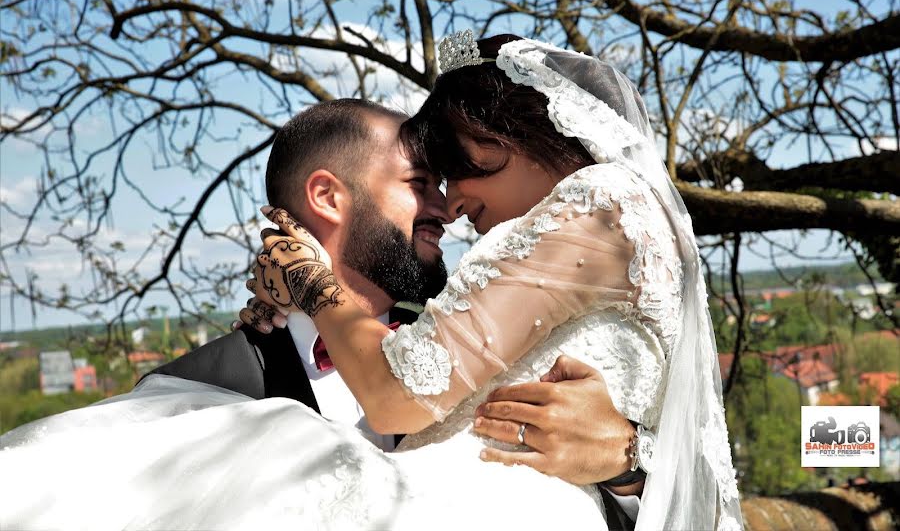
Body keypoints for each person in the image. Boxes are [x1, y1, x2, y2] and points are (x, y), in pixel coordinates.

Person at [0, 91, 645, 529]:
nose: (446, 210)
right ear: (327, 197)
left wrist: (624, 469)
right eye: (420, 184)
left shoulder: (476, 349)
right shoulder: (202, 388)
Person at [244, 33, 743, 530]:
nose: (452, 205)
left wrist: (307, 277)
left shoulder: (603, 205)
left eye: (459, 168)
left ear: (516, 131)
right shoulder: (225, 376)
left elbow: (395, 393)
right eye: (427, 182)